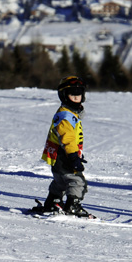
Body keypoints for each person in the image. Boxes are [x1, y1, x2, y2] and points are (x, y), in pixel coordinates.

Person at [33, 75, 91, 218]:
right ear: (64, 96)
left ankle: (53, 201)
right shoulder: (66, 116)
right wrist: (73, 156)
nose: (77, 97)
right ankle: (73, 205)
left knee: (61, 181)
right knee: (77, 181)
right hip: (64, 155)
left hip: (58, 156)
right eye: (73, 94)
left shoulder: (68, 113)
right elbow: (68, 138)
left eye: (79, 94)